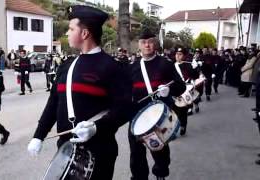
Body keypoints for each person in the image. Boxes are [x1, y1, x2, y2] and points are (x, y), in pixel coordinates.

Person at [27, 5, 132, 180]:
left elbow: (125, 108)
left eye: (71, 29)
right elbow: (53, 104)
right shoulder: (66, 66)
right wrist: (38, 136)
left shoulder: (112, 67)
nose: (67, 33)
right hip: (67, 151)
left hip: (99, 151)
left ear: (84, 34)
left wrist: (97, 127)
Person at [128, 29, 185, 180]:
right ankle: (139, 177)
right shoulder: (131, 67)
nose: (147, 45)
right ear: (138, 45)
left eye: (150, 42)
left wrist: (169, 89)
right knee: (136, 152)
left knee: (160, 150)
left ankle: (160, 174)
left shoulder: (165, 64)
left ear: (156, 44)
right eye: (143, 42)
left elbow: (181, 86)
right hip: (137, 116)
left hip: (158, 117)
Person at [173, 47, 199, 135]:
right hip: (175, 91)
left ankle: (183, 125)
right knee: (175, 109)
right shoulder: (172, 66)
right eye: (176, 54)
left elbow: (195, 76)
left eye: (180, 54)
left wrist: (195, 68)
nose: (177, 56)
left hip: (185, 89)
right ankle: (176, 125)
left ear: (183, 56)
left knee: (183, 110)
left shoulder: (188, 65)